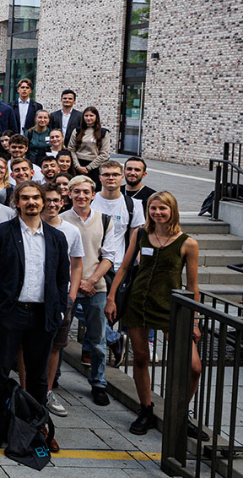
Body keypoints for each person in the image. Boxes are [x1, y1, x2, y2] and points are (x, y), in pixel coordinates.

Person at [0, 181, 68, 453]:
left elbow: (62, 278)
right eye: (25, 198)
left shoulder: (56, 237)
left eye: (36, 198)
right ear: (17, 202)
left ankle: (38, 423)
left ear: (43, 202)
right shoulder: (2, 232)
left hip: (42, 314)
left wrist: (59, 308)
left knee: (39, 375)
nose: (31, 202)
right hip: (9, 312)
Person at [105, 191, 205, 438]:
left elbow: (193, 286)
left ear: (173, 210)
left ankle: (179, 413)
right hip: (138, 303)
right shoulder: (140, 234)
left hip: (171, 306)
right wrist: (111, 297)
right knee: (141, 358)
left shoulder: (188, 243)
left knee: (193, 367)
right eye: (153, 208)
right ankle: (146, 409)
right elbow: (125, 266)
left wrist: (194, 320)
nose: (157, 213)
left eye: (163, 208)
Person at [59, 175, 116, 407]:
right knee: (59, 335)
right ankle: (53, 378)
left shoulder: (104, 220)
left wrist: (91, 280)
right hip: (67, 286)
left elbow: (109, 256)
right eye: (76, 192)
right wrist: (75, 283)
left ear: (93, 194)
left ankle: (98, 383)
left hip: (96, 286)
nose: (81, 196)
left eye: (85, 192)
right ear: (69, 194)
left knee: (98, 339)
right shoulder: (61, 220)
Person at [91, 160, 144, 365]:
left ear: (122, 177)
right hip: (94, 264)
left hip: (119, 266)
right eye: (106, 174)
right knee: (92, 309)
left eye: (115, 174)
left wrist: (133, 265)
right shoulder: (92, 200)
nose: (111, 178)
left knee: (109, 311)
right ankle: (110, 341)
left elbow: (135, 236)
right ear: (100, 177)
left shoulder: (133, 204)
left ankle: (100, 351)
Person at [39, 184, 84, 418]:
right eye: (47, 200)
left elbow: (77, 264)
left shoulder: (71, 230)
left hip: (60, 296)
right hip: (33, 296)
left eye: (56, 200)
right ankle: (29, 389)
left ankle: (46, 391)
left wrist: (72, 294)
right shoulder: (30, 226)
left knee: (56, 345)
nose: (52, 205)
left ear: (62, 202)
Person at [68, 106, 111, 181]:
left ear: (96, 117)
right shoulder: (77, 131)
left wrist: (88, 167)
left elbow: (104, 154)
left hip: (94, 167)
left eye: (91, 116)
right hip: (78, 165)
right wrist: (77, 166)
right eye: (86, 115)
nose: (88, 118)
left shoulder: (103, 133)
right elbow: (71, 149)